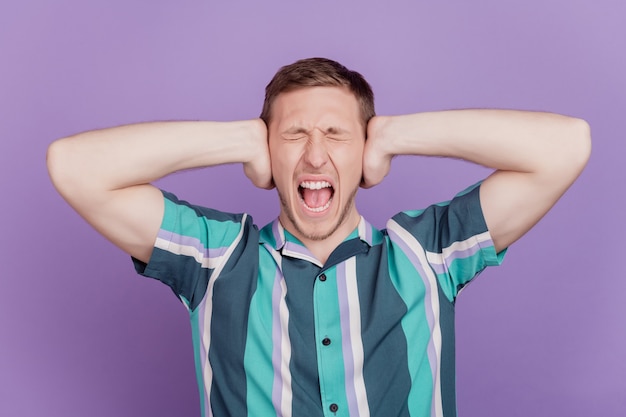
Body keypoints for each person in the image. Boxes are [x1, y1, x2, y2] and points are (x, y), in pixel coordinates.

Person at [47, 57, 591, 417]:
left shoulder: (426, 253)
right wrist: (237, 138)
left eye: (336, 135)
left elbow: (566, 146)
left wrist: (394, 134)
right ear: (268, 151)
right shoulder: (215, 259)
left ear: (363, 154)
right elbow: (73, 166)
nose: (314, 155)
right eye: (292, 135)